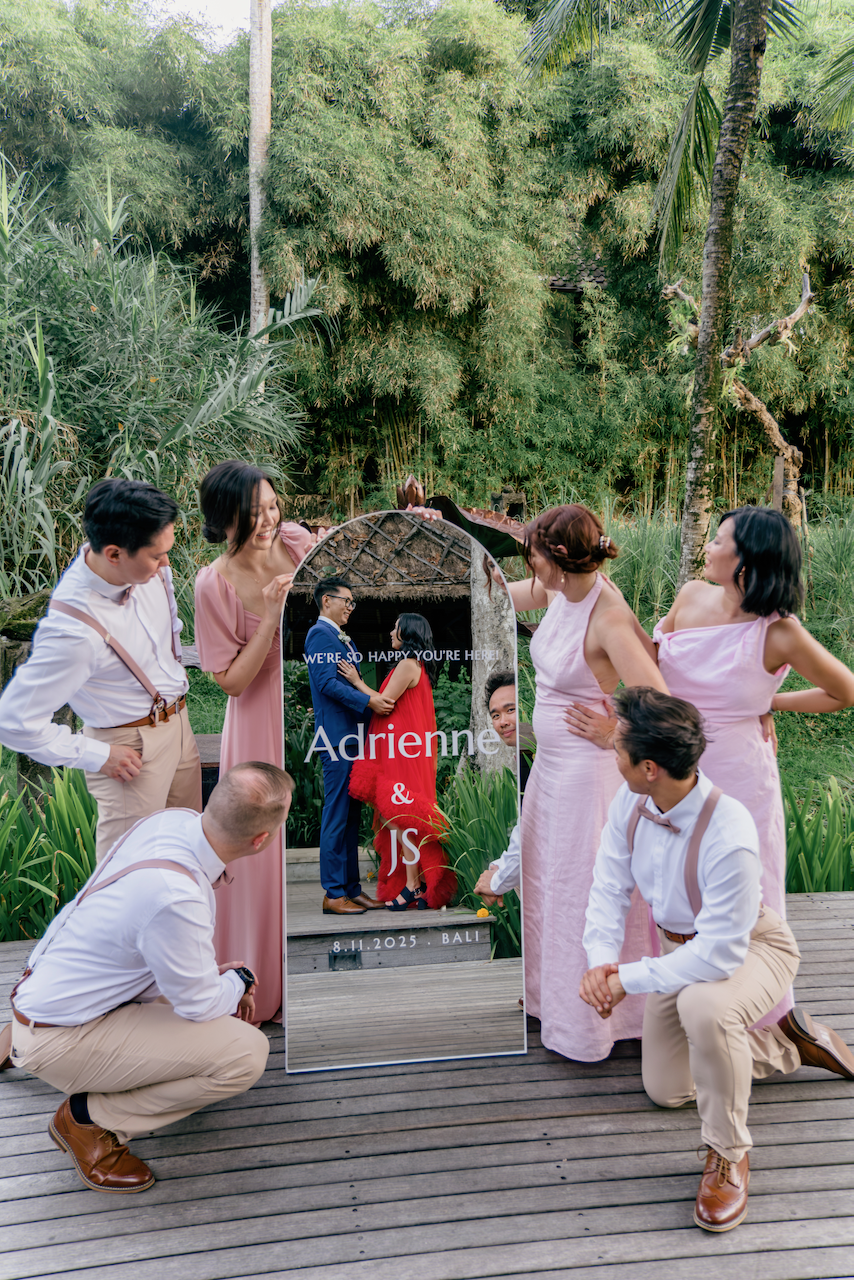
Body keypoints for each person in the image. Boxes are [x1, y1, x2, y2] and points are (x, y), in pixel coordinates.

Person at [581, 687, 854, 1232]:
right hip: (679, 952)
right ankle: (787, 1044)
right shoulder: (631, 803)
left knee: (707, 1009)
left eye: (619, 749)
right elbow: (608, 887)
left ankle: (728, 1155)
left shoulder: (728, 830)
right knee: (667, 1089)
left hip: (751, 946)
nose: (613, 755)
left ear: (650, 767)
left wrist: (628, 978)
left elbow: (721, 952)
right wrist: (601, 963)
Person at [6, 763, 294, 1194]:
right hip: (58, 1039)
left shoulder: (169, 822)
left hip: (46, 993)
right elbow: (197, 1004)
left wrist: (215, 980)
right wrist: (240, 978)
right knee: (245, 1052)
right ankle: (88, 1121)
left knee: (210, 1012)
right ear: (261, 841)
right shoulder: (176, 896)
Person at [652, 507, 854, 1018]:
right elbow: (652, 666)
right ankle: (676, 1013)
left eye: (719, 540)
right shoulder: (691, 595)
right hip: (674, 765)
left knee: (742, 889)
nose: (709, 548)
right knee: (672, 883)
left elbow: (844, 692)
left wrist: (769, 703)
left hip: (738, 772)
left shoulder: (778, 632)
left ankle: (753, 1018)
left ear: (747, 560)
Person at [505, 504, 668, 1062]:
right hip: (550, 772)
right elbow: (505, 593)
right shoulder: (558, 590)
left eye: (533, 552)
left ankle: (597, 1021)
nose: (528, 562)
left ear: (559, 559)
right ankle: (552, 1000)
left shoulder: (607, 615)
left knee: (581, 888)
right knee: (550, 881)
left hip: (586, 776)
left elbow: (664, 701)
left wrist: (614, 732)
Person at [0, 478, 201, 862]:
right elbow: (13, 721)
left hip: (180, 727)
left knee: (186, 855)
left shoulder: (145, 566)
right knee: (130, 877)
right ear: (113, 553)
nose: (166, 564)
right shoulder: (73, 631)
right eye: (157, 556)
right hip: (130, 752)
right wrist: (96, 754)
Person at [194, 460, 316, 1023]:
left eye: (271, 505)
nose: (268, 519)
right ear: (225, 520)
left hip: (318, 705)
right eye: (253, 513)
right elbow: (233, 682)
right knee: (256, 854)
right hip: (257, 716)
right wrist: (269, 614)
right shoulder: (213, 583)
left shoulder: (295, 540)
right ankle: (252, 988)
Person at [343, 614, 456, 910]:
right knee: (397, 817)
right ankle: (414, 882)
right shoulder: (410, 664)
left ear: (408, 633)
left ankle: (413, 884)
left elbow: (384, 703)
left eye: (396, 627)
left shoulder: (408, 664)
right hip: (397, 749)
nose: (391, 631)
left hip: (402, 752)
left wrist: (356, 681)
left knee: (398, 816)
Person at [304, 578, 393, 915]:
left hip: (353, 736)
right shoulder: (319, 635)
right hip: (337, 736)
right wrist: (367, 703)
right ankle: (333, 893)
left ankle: (352, 889)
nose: (351, 608)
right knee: (337, 815)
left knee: (351, 815)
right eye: (348, 601)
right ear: (327, 600)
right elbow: (326, 683)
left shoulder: (341, 637)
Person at [473, 669, 533, 907]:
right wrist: (499, 872)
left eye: (511, 710)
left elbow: (529, 835)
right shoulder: (526, 753)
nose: (503, 722)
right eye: (495, 715)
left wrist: (496, 880)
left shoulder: (543, 757)